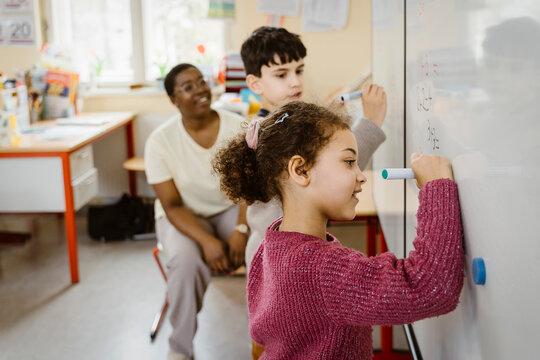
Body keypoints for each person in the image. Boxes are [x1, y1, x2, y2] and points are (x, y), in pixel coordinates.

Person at [212, 101, 464, 359]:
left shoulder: (270, 245)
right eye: (348, 161)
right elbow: (432, 287)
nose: (361, 175)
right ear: (301, 170)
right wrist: (436, 187)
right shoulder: (321, 269)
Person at [240, 26, 388, 270]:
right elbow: (335, 170)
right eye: (281, 75)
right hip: (274, 256)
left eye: (299, 70)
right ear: (255, 84)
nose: (295, 82)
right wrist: (371, 122)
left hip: (278, 249)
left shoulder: (280, 123)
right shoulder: (270, 132)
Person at [144, 63, 248, 360]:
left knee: (261, 250)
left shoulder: (237, 126)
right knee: (185, 262)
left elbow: (250, 188)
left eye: (201, 82)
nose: (200, 90)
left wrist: (241, 231)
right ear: (173, 100)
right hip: (183, 217)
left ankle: (269, 340)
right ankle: (180, 349)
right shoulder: (160, 142)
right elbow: (172, 205)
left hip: (231, 209)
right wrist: (208, 242)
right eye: (188, 87)